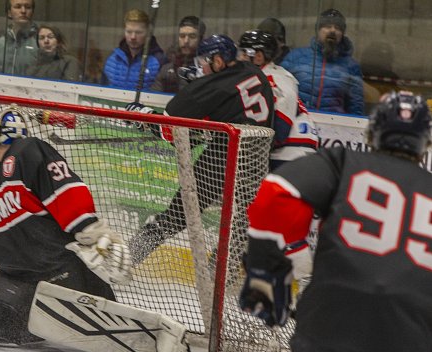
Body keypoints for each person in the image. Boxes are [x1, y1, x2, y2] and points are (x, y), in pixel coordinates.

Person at [0, 108, 190, 352]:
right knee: (1, 330)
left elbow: (65, 190)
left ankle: (157, 342)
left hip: (61, 273)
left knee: (38, 307)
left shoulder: (27, 150)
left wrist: (91, 231)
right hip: (17, 283)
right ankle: (22, 320)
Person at [239, 91, 432, 352]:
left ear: (372, 133)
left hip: (332, 327)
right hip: (415, 344)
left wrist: (266, 271)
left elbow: (276, 196)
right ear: (426, 143)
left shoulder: (343, 162)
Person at [126, 34, 274, 265]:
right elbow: (229, 101)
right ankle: (222, 278)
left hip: (222, 158)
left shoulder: (208, 88)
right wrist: (202, 80)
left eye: (206, 61)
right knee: (242, 227)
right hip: (256, 161)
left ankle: (127, 258)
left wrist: (143, 117)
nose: (201, 65)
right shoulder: (254, 72)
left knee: (177, 216)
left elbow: (171, 132)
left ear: (218, 60)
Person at [238, 29, 318, 170]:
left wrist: (254, 150)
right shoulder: (262, 76)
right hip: (289, 151)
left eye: (244, 53)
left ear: (258, 57)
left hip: (292, 152)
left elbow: (281, 126)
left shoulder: (276, 78)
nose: (240, 58)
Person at [280, 8, 364, 116]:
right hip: (296, 124)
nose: (332, 30)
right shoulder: (295, 57)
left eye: (338, 28)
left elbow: (356, 108)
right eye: (327, 26)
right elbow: (279, 92)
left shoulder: (351, 66)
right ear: (318, 30)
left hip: (334, 127)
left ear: (342, 34)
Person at [101, 8, 165, 91]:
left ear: (148, 33)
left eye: (138, 32)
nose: (133, 37)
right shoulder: (113, 59)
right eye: (129, 32)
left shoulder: (159, 61)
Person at [151, 15, 205, 94]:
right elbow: (155, 96)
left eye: (192, 36)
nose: (186, 41)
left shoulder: (207, 68)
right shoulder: (167, 66)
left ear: (200, 39)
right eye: (182, 36)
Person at [0, 0, 39, 76]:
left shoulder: (40, 44)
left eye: (28, 7)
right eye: (18, 7)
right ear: (9, 13)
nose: (23, 11)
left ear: (33, 12)